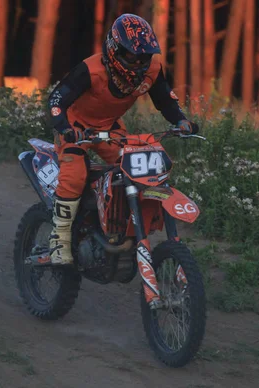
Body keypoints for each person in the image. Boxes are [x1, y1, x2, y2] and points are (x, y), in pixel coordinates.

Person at [47, 13, 200, 266]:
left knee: (136, 166)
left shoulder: (151, 70)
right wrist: (65, 128)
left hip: (110, 127)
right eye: (132, 55)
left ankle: (117, 226)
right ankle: (59, 238)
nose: (139, 62)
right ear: (113, 49)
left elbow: (164, 100)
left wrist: (181, 121)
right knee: (75, 173)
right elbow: (56, 100)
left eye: (144, 56)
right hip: (76, 127)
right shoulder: (91, 69)